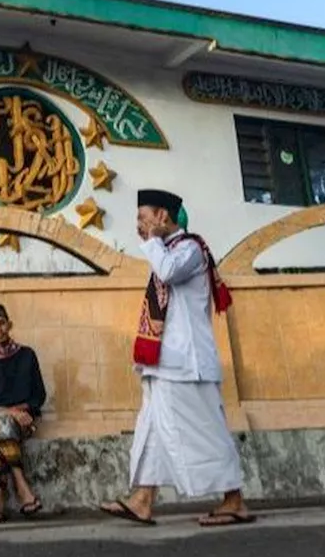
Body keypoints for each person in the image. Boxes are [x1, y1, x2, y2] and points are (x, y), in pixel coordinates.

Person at [99, 189, 254, 528]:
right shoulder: (166, 251)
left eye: (143, 217)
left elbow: (168, 272)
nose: (138, 225)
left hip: (188, 362)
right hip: (164, 361)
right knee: (153, 430)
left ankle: (234, 500)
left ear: (162, 217)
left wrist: (152, 241)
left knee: (205, 432)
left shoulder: (190, 250)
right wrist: (154, 243)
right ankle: (142, 500)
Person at [0, 303, 47, 525]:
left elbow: (39, 395)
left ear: (9, 324)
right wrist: (9, 412)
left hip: (24, 421)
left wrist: (20, 412)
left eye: (2, 323)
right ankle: (22, 488)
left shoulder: (26, 355)